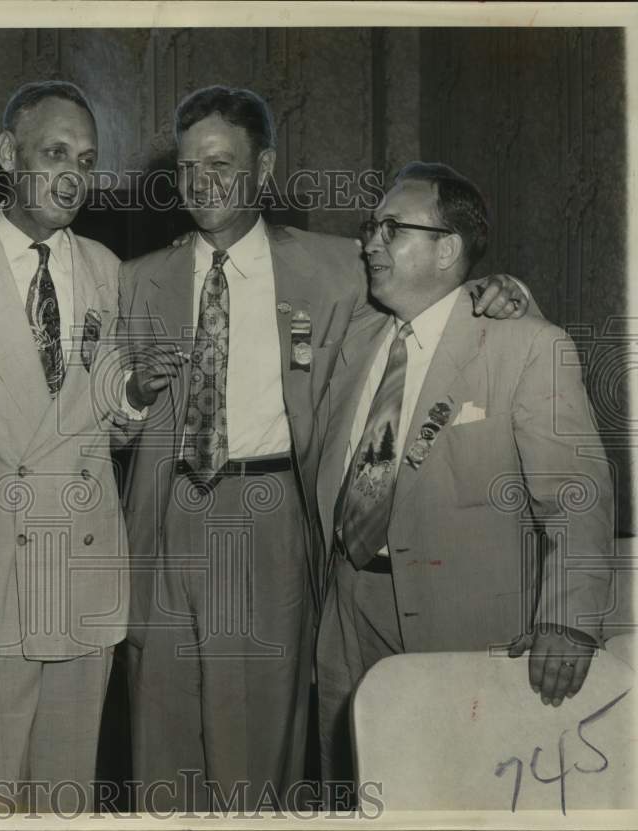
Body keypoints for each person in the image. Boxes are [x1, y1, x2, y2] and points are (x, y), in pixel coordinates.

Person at [114, 87, 529, 812]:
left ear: (266, 167)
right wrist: (131, 396)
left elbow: (432, 300)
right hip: (161, 516)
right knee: (160, 742)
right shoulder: (137, 279)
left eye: (221, 163)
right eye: (186, 167)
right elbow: (106, 425)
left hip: (268, 511)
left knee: (253, 755)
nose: (200, 182)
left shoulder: (339, 267)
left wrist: (500, 291)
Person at [313, 161, 613, 794]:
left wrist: (569, 620)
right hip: (348, 606)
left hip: (463, 626)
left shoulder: (526, 346)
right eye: (372, 226)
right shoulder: (361, 335)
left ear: (446, 248)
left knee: (451, 790)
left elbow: (576, 496)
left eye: (391, 229)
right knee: (359, 787)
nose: (369, 242)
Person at [0, 81, 128, 812]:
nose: (73, 173)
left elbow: (107, 419)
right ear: (10, 155)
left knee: (68, 796)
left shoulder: (107, 268)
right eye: (54, 152)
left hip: (84, 569)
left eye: (86, 157)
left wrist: (135, 398)